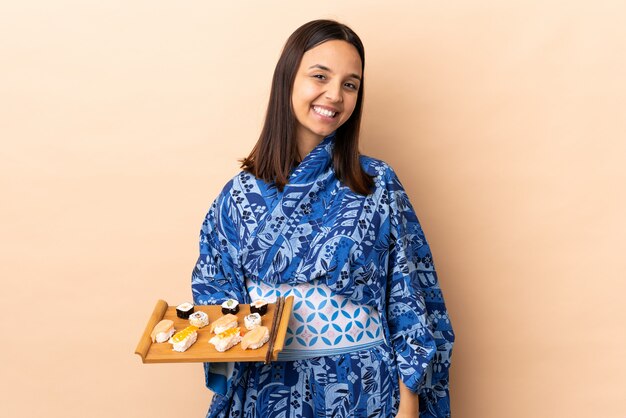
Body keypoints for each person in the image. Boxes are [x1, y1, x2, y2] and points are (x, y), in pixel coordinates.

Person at [191, 19, 455, 418]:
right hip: (267, 390)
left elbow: (409, 298)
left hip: (366, 389)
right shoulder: (237, 197)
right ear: (288, 80)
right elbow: (215, 298)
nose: (335, 95)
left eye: (350, 84)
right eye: (320, 76)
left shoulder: (375, 183)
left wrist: (409, 401)